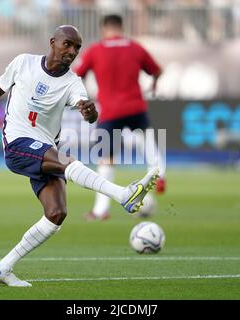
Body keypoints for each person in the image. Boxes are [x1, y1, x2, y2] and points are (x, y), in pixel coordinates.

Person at [0, 25, 159, 287]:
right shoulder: (23, 63)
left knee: (56, 213)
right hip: (17, 143)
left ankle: (3, 268)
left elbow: (89, 113)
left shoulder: (73, 82)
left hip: (44, 148)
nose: (72, 51)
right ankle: (123, 195)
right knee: (66, 160)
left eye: (77, 48)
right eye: (67, 44)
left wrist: (89, 112)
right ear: (53, 42)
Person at [74, 14, 166, 221]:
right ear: (121, 27)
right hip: (135, 106)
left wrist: (80, 99)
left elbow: (77, 74)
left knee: (106, 161)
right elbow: (157, 70)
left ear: (104, 29)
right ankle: (159, 177)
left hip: (110, 112)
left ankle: (100, 210)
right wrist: (154, 84)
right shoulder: (135, 47)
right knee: (147, 142)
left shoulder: (95, 50)